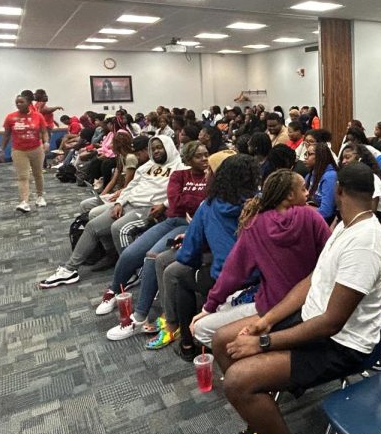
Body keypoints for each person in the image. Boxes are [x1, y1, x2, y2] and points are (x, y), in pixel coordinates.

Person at [210, 162, 381, 434]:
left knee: (237, 381)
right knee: (221, 340)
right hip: (313, 320)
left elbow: (332, 324)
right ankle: (263, 432)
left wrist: (262, 343)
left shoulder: (365, 243)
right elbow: (311, 281)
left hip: (343, 346)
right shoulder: (344, 225)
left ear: (338, 191)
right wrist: (269, 319)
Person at [190, 169, 330, 347]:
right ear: (289, 195)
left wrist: (208, 307)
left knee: (202, 329)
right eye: (303, 189)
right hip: (312, 304)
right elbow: (330, 255)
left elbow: (232, 273)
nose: (308, 192)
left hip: (270, 309)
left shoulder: (255, 224)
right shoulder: (311, 216)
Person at [95, 141, 208, 343]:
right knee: (131, 253)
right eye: (199, 156)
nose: (205, 159)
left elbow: (202, 202)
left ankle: (139, 316)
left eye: (206, 154)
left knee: (152, 257)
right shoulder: (179, 175)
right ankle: (114, 290)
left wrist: (188, 199)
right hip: (172, 220)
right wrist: (193, 200)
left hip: (190, 226)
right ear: (189, 159)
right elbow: (175, 201)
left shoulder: (210, 177)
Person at [38, 136, 181, 288]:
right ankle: (69, 269)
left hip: (148, 209)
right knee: (92, 226)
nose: (156, 151)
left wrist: (164, 204)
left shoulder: (180, 167)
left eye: (160, 147)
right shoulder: (147, 166)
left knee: (119, 228)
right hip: (129, 203)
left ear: (168, 147)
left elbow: (178, 193)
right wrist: (119, 202)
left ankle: (132, 272)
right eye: (154, 148)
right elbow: (131, 187)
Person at [157, 155, 260, 356]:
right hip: (262, 276)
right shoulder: (261, 203)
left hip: (227, 278)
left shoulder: (208, 205)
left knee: (181, 277)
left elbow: (187, 254)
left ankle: (187, 345)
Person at [0, 94, 49, 213]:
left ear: (28, 103)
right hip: (19, 151)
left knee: (38, 174)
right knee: (22, 176)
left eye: (21, 102)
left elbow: (44, 131)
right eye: (17, 102)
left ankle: (40, 197)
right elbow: (6, 135)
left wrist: (46, 142)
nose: (18, 104)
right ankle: (24, 202)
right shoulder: (10, 117)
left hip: (36, 149)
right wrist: (1, 150)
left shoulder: (38, 116)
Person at [303, 142, 338, 222]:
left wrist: (303, 209)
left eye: (310, 154)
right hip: (311, 217)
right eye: (306, 153)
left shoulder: (330, 176)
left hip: (325, 222)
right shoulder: (309, 175)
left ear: (320, 156)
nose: (306, 157)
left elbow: (326, 212)